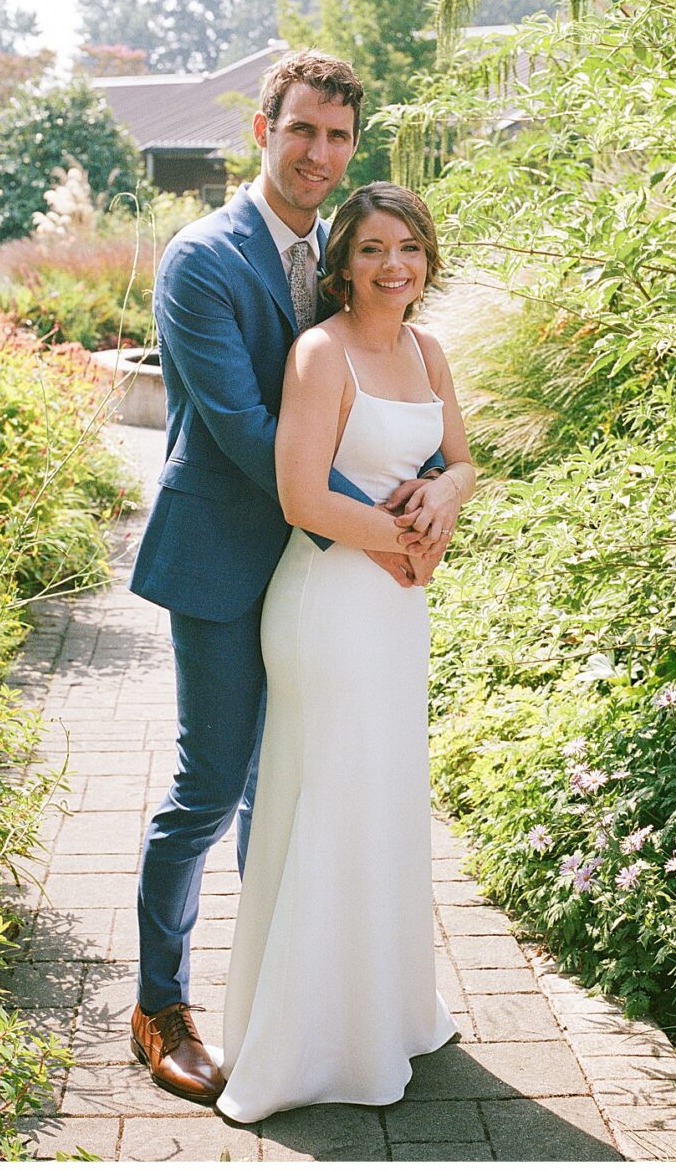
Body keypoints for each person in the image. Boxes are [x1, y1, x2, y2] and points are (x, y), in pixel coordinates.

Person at [130, 54, 451, 1105]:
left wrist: (439, 489)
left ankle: (283, 996)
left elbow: (390, 384)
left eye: (339, 137)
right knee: (211, 786)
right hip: (230, 559)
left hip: (329, 582)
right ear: (261, 128)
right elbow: (247, 434)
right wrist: (376, 529)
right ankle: (160, 1003)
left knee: (298, 789)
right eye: (302, 130)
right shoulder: (201, 258)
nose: (320, 155)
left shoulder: (342, 249)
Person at [218, 182, 475, 1122]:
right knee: (328, 804)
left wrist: (445, 500)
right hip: (329, 604)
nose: (391, 265)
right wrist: (400, 542)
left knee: (382, 804)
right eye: (370, 249)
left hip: (398, 612)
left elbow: (461, 457)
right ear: (342, 264)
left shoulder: (427, 349)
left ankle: (384, 1015)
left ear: (426, 260)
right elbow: (298, 496)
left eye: (406, 248)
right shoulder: (321, 353)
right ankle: (307, 1045)